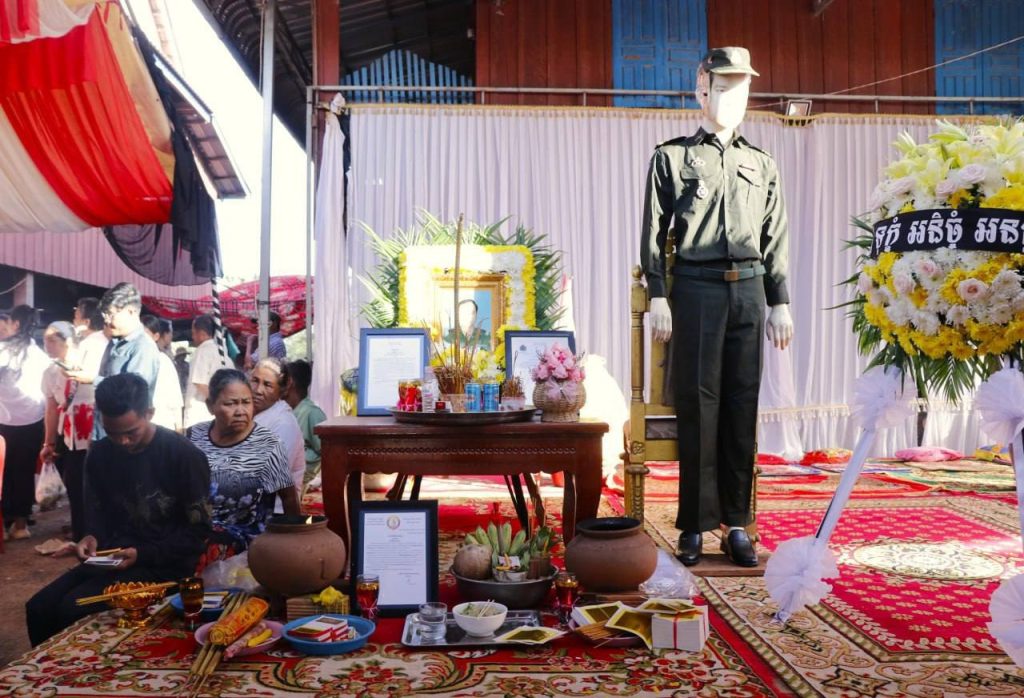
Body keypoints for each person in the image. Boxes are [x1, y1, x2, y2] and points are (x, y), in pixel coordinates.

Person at [640, 47, 793, 568]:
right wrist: (658, 293)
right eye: (723, 87)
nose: (733, 98)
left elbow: (775, 237)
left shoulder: (762, 163)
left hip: (749, 290)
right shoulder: (672, 158)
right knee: (698, 406)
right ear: (701, 91)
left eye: (741, 88)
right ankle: (694, 525)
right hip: (697, 290)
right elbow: (654, 233)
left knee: (741, 406)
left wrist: (780, 302)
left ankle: (737, 524)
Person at [25, 373, 211, 645]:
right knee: (38, 607)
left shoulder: (183, 456)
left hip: (164, 566)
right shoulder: (100, 454)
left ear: (149, 413)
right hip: (112, 560)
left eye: (131, 432)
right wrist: (90, 538)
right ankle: (45, 672)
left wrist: (142, 553)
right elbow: (96, 516)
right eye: (113, 433)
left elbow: (199, 533)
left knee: (70, 609)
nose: (123, 441)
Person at [187, 369, 298, 566]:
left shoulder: (268, 445)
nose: (240, 411)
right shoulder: (193, 436)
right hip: (194, 529)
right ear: (210, 406)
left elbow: (289, 498)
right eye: (230, 404)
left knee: (202, 547)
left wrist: (292, 547)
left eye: (246, 402)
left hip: (244, 540)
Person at [65, 283, 161, 440]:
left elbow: (133, 394)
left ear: (130, 311)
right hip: (102, 430)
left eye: (111, 315)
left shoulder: (143, 347)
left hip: (124, 438)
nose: (107, 321)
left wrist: (93, 379)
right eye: (105, 316)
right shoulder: (116, 341)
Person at [0, 306, 49, 540]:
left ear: (16, 324)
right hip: (33, 420)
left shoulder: (3, 350)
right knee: (24, 471)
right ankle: (20, 525)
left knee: (3, 473)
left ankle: (2, 524)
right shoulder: (40, 355)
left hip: (4, 421)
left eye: (9, 322)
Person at [38, 322, 84, 535]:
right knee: (73, 483)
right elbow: (51, 409)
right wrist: (49, 442)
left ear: (69, 342)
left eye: (52, 340)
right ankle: (79, 530)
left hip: (87, 434)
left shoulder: (86, 366)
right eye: (45, 340)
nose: (47, 345)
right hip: (66, 434)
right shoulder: (50, 372)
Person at [249, 358, 306, 492]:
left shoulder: (284, 424)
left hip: (273, 502)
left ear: (282, 390)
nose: (258, 390)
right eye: (255, 381)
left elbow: (271, 477)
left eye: (268, 385)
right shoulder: (252, 414)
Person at [283, 359, 327, 486]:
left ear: (289, 382)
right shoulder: (285, 410)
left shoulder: (312, 413)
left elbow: (327, 451)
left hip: (297, 476)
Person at [184, 314, 232, 427]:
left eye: (193, 333)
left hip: (200, 413)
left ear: (201, 334)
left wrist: (216, 403)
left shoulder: (203, 351)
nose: (192, 337)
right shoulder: (222, 353)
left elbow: (200, 382)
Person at [141, 315, 184, 431]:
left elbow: (175, 398)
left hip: (162, 424)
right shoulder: (129, 360)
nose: (140, 339)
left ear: (156, 336)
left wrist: (179, 428)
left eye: (144, 334)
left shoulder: (163, 360)